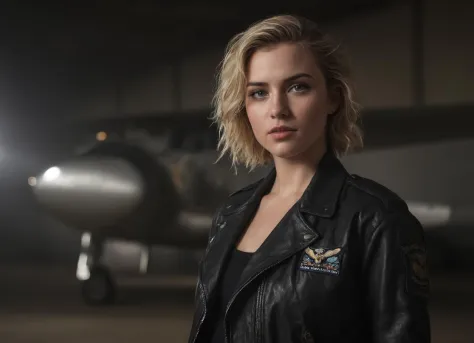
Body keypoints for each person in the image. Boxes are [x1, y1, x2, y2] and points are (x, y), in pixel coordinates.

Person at [188, 14, 431, 343]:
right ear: (243, 107)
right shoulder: (228, 215)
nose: (278, 109)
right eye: (259, 93)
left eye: (297, 87)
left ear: (333, 98)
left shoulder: (375, 218)